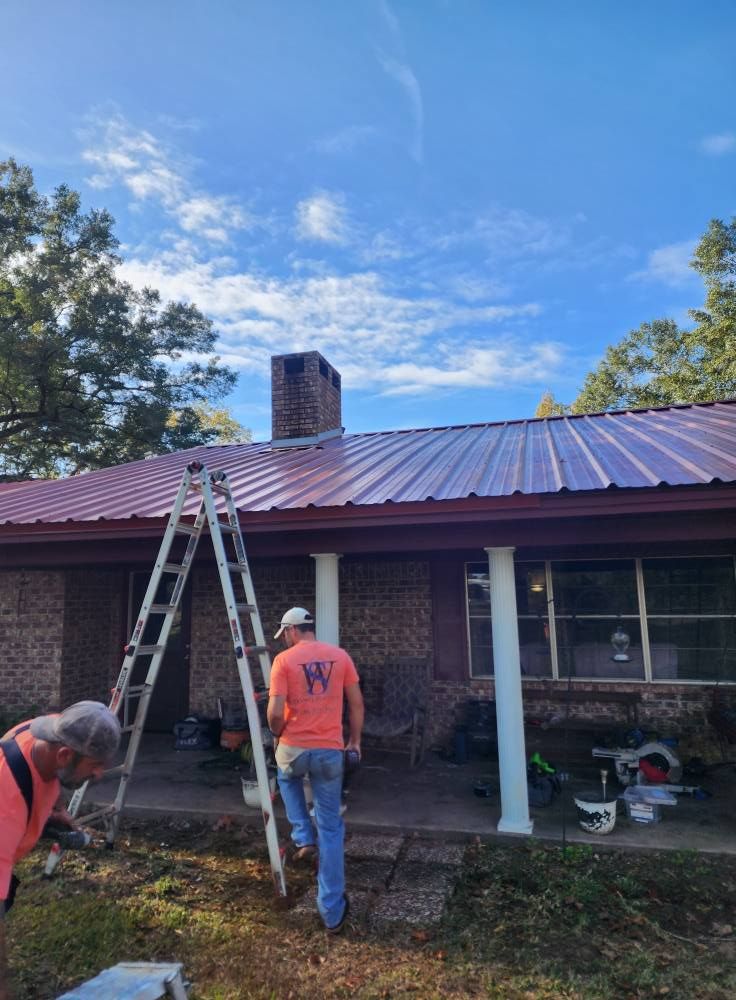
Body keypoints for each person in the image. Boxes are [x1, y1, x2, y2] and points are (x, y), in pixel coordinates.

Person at [0, 701, 121, 1000]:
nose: (99, 774)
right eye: (95, 765)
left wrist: (52, 811)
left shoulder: (56, 731)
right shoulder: (7, 807)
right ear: (65, 755)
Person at [267, 607, 364, 933]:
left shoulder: (283, 661)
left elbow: (275, 713)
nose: (284, 640)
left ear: (292, 630)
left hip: (294, 748)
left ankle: (302, 836)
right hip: (329, 752)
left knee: (285, 776)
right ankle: (332, 912)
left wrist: (277, 733)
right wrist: (355, 741)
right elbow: (357, 704)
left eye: (284, 635)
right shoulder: (340, 656)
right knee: (332, 828)